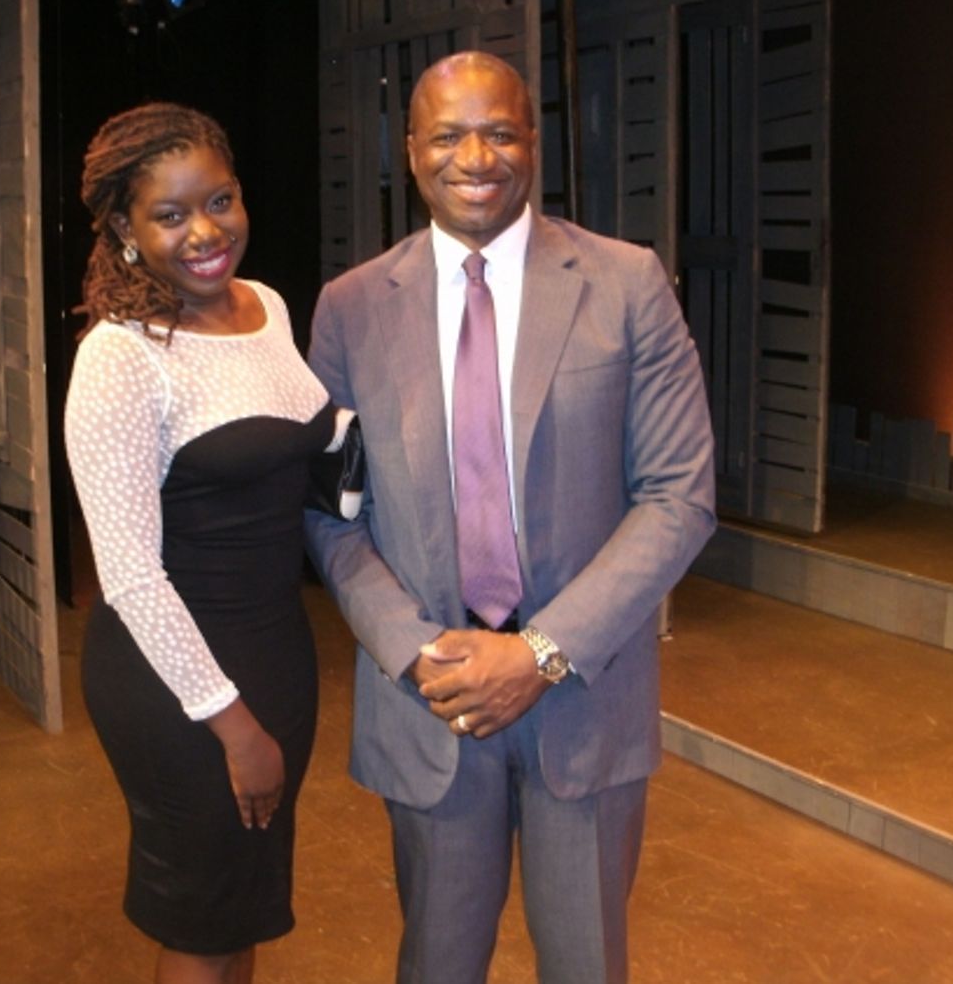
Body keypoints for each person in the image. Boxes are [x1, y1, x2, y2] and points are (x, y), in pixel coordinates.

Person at [304, 51, 716, 984]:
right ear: (409, 151)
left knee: (586, 965)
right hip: (431, 703)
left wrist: (539, 653)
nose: (475, 156)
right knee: (437, 965)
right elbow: (333, 514)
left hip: (583, 697)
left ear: (534, 140)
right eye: (447, 134)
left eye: (499, 130)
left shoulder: (625, 283)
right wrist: (418, 651)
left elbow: (679, 493)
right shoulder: (352, 308)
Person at [65, 103, 339, 984]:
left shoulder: (268, 307)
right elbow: (130, 577)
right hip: (178, 682)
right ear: (124, 229)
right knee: (200, 923)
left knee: (242, 904)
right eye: (170, 215)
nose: (204, 232)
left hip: (274, 652)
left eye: (218, 201)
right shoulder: (122, 355)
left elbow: (293, 442)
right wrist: (232, 726)